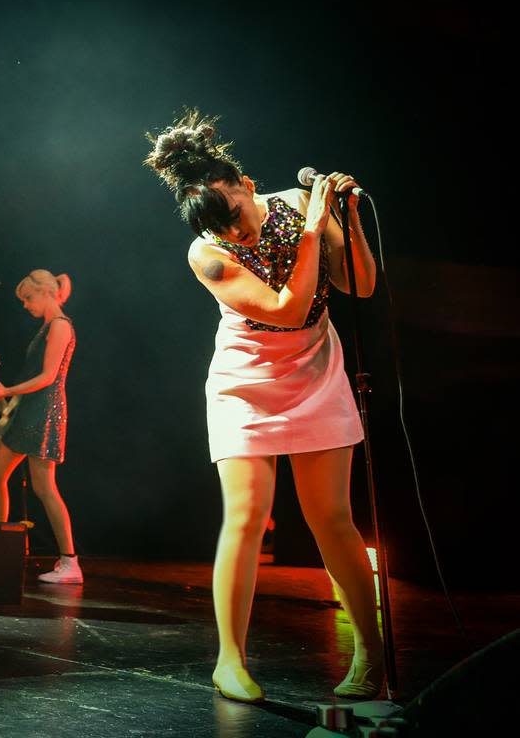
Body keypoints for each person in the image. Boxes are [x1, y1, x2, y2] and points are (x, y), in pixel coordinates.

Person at [144, 110, 382, 702]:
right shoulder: (205, 254)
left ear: (248, 186)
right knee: (246, 516)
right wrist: (309, 232)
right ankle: (230, 661)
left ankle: (372, 657)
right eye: (227, 230)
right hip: (246, 378)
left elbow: (362, 286)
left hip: (315, 368)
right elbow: (284, 308)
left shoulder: (302, 205)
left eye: (239, 218)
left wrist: (344, 221)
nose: (240, 235)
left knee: (331, 516)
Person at [0, 270, 81, 584]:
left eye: (29, 298)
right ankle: (2, 546)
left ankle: (70, 561)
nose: (26, 305)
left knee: (43, 487)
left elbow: (49, 377)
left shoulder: (60, 326)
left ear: (46, 293)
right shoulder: (49, 327)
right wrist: (4, 391)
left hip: (44, 413)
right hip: (34, 410)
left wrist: (7, 391)